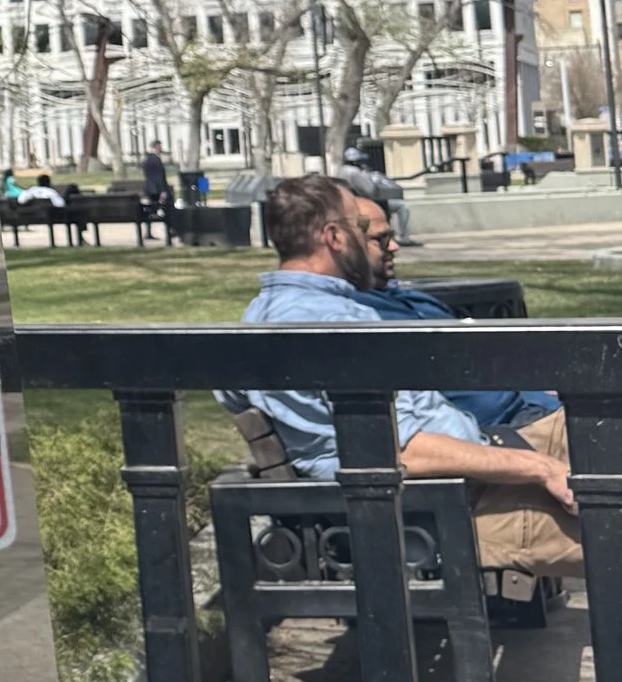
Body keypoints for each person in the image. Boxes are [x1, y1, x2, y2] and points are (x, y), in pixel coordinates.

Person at [238, 175, 587, 572]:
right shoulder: (322, 324)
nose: (370, 236)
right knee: (620, 523)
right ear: (334, 237)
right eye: (361, 226)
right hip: (445, 510)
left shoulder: (280, 313)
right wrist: (541, 468)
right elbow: (397, 449)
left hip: (465, 478)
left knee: (610, 427)